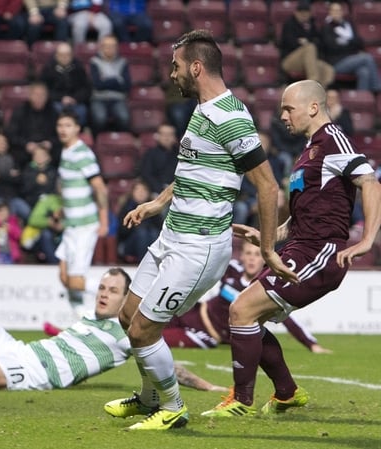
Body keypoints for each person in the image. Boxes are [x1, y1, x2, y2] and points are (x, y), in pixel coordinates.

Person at [102, 30, 297, 431]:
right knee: (128, 316)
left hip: (198, 247)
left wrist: (268, 249)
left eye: (175, 66)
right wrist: (158, 202)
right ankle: (150, 397)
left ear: (196, 67)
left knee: (144, 330)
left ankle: (172, 408)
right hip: (171, 236)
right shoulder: (201, 109)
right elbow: (193, 170)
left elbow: (267, 185)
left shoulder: (230, 117)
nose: (171, 74)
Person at [201, 79, 381, 418]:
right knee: (249, 319)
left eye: (288, 109)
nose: (282, 116)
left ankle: (241, 401)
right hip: (297, 248)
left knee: (241, 310)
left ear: (313, 107)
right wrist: (266, 237)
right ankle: (287, 393)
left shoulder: (333, 139)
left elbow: (370, 182)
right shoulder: (309, 149)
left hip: (319, 253)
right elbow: (301, 219)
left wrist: (367, 239)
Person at [0, 259, 226, 393]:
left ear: (126, 298)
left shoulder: (127, 333)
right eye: (102, 288)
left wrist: (207, 386)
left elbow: (167, 366)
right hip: (18, 351)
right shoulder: (91, 317)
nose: (103, 294)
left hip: (30, 373)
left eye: (113, 291)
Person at [165, 240, 331, 354]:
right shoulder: (231, 269)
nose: (252, 258)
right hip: (191, 312)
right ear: (242, 256)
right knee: (149, 324)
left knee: (157, 341)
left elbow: (288, 320)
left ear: (265, 258)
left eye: (257, 254)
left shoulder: (266, 289)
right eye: (248, 253)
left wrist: (312, 345)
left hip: (205, 334)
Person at [55, 112, 108, 319]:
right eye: (60, 125)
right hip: (70, 225)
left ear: (77, 128)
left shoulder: (82, 153)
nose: (63, 129)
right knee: (64, 277)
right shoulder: (65, 151)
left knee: (76, 281)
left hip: (84, 226)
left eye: (68, 125)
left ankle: (121, 294)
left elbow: (100, 188)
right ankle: (82, 323)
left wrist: (104, 221)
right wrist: (62, 209)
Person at [321, 1, 381, 93]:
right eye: (334, 10)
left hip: (353, 59)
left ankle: (362, 98)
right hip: (337, 63)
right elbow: (331, 47)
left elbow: (359, 42)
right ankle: (377, 88)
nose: (336, 13)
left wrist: (345, 42)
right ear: (330, 12)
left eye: (338, 10)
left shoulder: (348, 25)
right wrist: (350, 43)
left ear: (342, 12)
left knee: (364, 72)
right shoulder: (326, 28)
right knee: (367, 58)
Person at [278, 0, 334, 88]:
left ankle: (321, 91)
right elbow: (290, 43)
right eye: (301, 12)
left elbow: (319, 42)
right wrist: (305, 44)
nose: (304, 15)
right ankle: (313, 82)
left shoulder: (311, 24)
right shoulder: (289, 24)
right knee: (310, 47)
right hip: (289, 60)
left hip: (307, 61)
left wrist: (305, 42)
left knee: (328, 69)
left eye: (306, 12)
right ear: (296, 12)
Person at [4, 82, 60, 170]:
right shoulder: (20, 111)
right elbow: (11, 134)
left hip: (48, 151)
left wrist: (50, 143)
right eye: (36, 95)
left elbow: (59, 134)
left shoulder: (53, 112)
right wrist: (26, 144)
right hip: (25, 150)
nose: (40, 98)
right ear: (30, 96)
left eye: (42, 95)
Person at [40, 43, 91, 127]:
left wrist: (75, 98)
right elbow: (44, 90)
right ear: (56, 55)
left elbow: (86, 88)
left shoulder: (79, 67)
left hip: (76, 101)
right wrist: (61, 98)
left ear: (72, 55)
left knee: (82, 111)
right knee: (55, 111)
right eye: (61, 55)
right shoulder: (48, 68)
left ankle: (77, 132)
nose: (64, 57)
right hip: (56, 101)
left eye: (67, 54)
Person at [89, 34, 130, 135]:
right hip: (99, 98)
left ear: (116, 47)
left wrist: (105, 81)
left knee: (124, 117)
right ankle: (97, 140)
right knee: (99, 118)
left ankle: (119, 140)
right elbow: (97, 84)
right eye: (107, 46)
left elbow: (126, 85)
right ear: (101, 47)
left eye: (112, 46)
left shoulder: (123, 62)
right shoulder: (94, 61)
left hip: (118, 98)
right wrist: (117, 80)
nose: (110, 49)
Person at [116, 180, 160, 263]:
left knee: (153, 232)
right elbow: (122, 232)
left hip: (151, 238)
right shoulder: (127, 207)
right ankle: (143, 262)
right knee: (141, 232)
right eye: (138, 190)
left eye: (144, 190)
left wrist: (150, 212)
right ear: (132, 192)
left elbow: (160, 227)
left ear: (148, 193)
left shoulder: (153, 208)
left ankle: (154, 261)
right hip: (129, 243)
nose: (141, 193)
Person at [137, 123, 178, 198]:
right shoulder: (150, 154)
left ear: (174, 137)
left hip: (177, 191)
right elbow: (146, 174)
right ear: (158, 136)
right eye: (163, 134)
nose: (166, 137)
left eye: (170, 134)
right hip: (155, 192)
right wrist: (161, 189)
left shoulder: (180, 155)